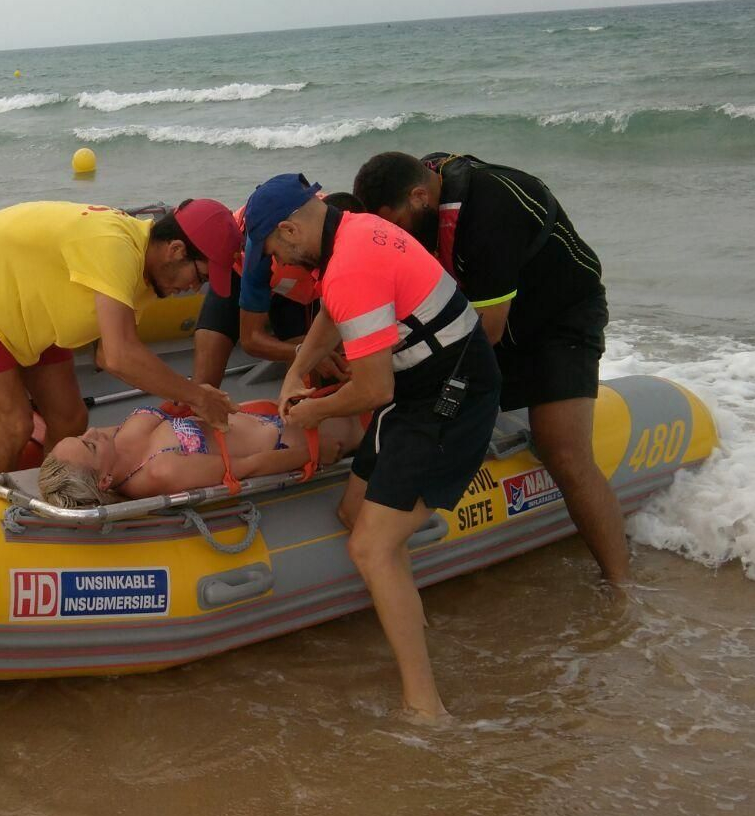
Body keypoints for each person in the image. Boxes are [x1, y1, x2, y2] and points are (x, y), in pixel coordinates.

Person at [249, 174, 500, 718]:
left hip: (451, 393)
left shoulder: (348, 268)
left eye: (274, 250)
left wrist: (312, 410)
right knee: (352, 511)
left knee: (370, 546)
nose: (279, 262)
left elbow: (373, 389)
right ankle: (410, 615)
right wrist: (296, 370)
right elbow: (333, 316)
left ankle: (425, 707)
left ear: (291, 229)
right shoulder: (354, 227)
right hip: (415, 385)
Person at [353, 151, 627, 583]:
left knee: (562, 450)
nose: (396, 235)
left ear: (420, 195)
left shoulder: (489, 212)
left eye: (398, 224)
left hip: (559, 319)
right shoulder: (426, 190)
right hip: (493, 314)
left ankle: (621, 586)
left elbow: (488, 333)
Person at [0, 199, 242, 492]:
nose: (193, 288)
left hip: (31, 298)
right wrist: (198, 397)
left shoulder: (146, 269)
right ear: (175, 250)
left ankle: (47, 493)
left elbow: (107, 354)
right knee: (13, 425)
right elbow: (120, 356)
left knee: (70, 418)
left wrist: (190, 395)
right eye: (199, 276)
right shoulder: (115, 248)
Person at [192, 191, 362, 388]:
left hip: (299, 290)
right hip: (246, 269)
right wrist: (303, 352)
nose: (279, 259)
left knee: (318, 384)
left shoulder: (350, 243)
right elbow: (251, 340)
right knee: (204, 384)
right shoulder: (260, 254)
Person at [39, 405, 364, 507]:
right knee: (382, 417)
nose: (91, 431)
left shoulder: (112, 443)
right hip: (285, 438)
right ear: (105, 479)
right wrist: (312, 452)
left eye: (81, 435)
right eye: (89, 445)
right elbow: (247, 467)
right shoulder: (160, 472)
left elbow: (174, 407)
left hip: (267, 412)